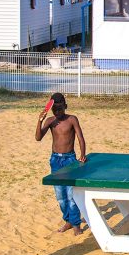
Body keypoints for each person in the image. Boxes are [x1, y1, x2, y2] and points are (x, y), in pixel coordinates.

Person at [36, 92, 87, 235]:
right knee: (60, 195)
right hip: (55, 160)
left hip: (70, 159)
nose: (57, 112)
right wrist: (40, 121)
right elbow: (38, 138)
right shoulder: (51, 121)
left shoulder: (72, 119)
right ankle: (68, 221)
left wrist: (82, 155)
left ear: (65, 106)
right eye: (54, 110)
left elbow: (80, 138)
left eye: (60, 109)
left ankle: (76, 223)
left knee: (71, 194)